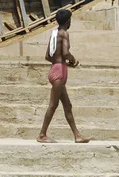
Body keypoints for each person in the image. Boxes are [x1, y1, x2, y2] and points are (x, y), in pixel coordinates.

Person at [37, 8, 92, 143]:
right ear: (68, 21)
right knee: (53, 105)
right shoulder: (64, 33)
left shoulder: (54, 34)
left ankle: (77, 135)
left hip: (56, 69)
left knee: (67, 105)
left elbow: (47, 56)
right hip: (59, 73)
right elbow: (66, 53)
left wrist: (63, 64)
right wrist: (73, 60)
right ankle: (42, 135)